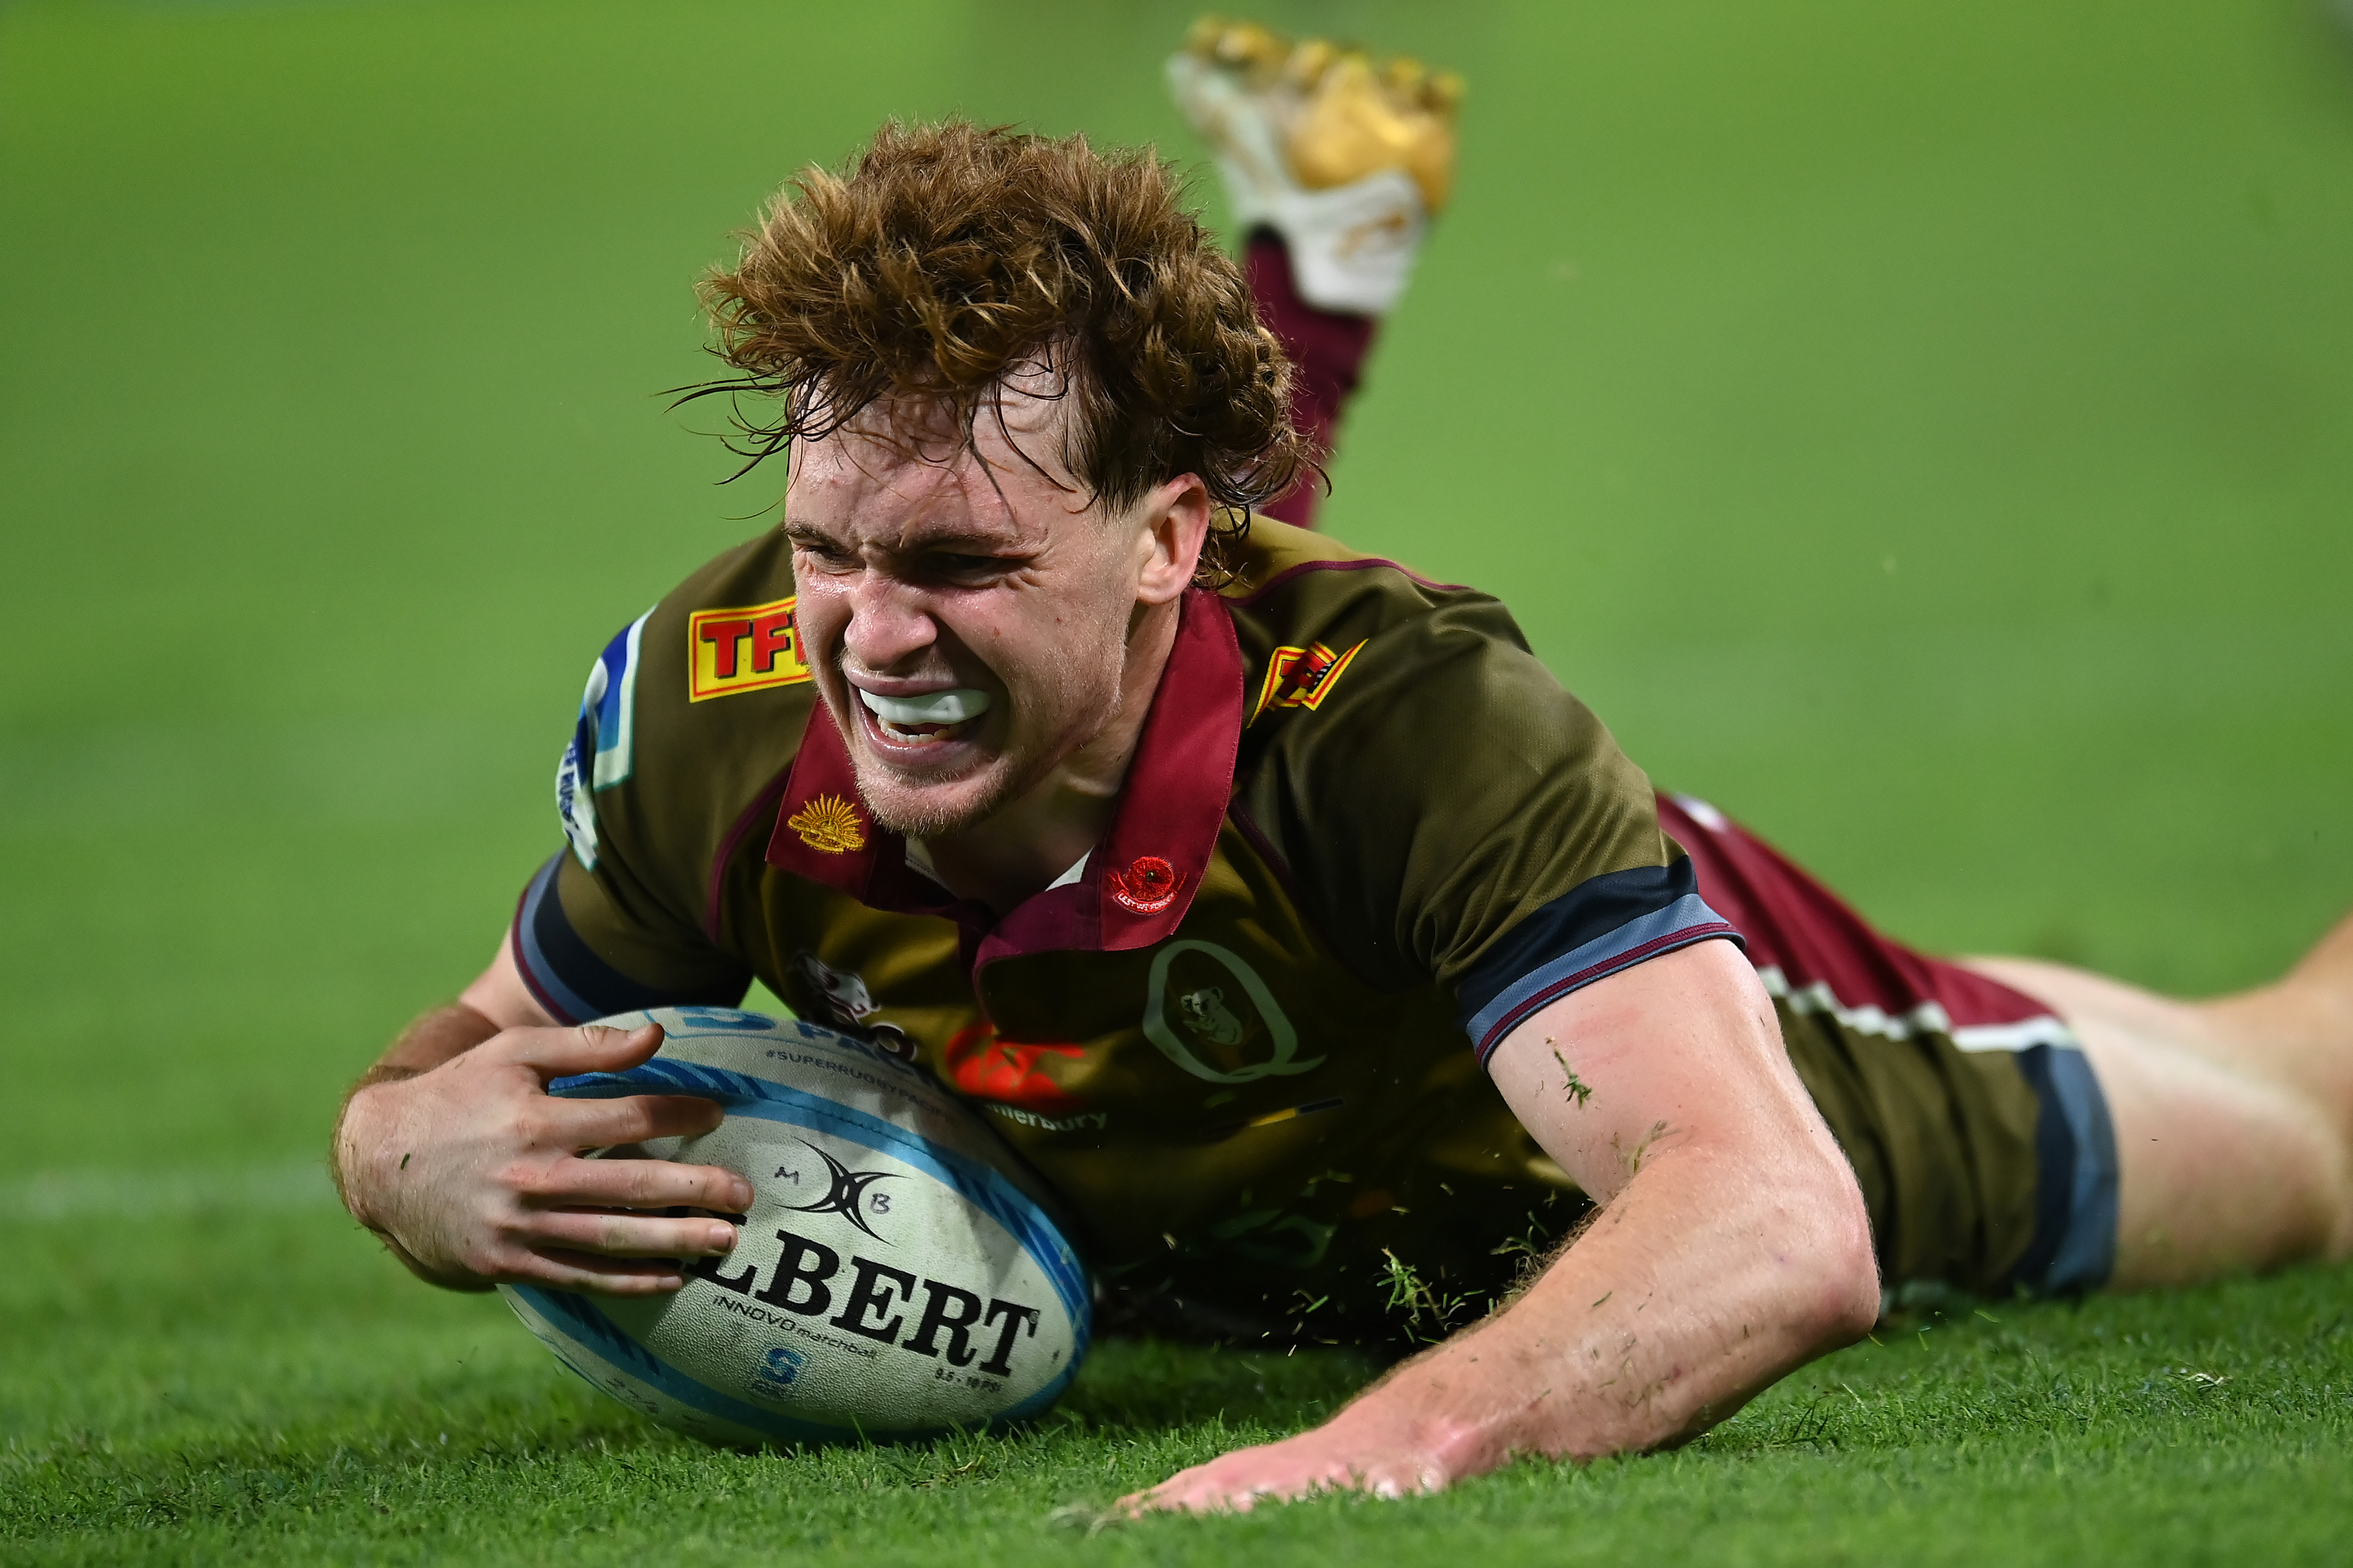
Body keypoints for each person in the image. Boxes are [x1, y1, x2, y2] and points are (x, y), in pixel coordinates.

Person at [329, 75, 2353, 1515]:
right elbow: (490, 1033)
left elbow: (1772, 1218)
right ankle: (1332, 232)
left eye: (951, 565)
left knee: (2311, 1124)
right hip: (1441, 1040)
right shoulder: (719, 711)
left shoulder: (1414, 718)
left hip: (1795, 1057)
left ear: (1165, 534)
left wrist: (1384, 1442)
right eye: (827, 546)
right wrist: (397, 1139)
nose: (866, 630)